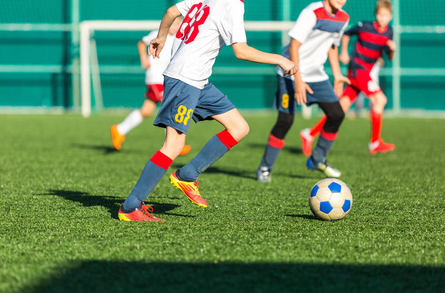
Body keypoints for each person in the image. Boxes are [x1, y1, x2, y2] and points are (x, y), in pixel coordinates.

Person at [118, 0, 298, 221]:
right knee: (173, 146)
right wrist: (280, 59)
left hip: (198, 81)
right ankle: (130, 206)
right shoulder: (233, 5)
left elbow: (170, 12)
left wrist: (161, 36)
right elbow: (241, 51)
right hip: (184, 80)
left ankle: (188, 174)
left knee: (239, 127)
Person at [256, 0, 350, 182]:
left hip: (316, 75)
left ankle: (317, 159)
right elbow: (293, 45)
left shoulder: (343, 18)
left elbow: (332, 45)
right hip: (289, 72)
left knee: (337, 114)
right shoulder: (312, 12)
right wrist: (297, 79)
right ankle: (265, 167)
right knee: (285, 120)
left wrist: (337, 74)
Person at [300, 0, 395, 156]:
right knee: (380, 100)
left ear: (390, 16)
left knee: (341, 108)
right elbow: (346, 34)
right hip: (358, 70)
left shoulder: (389, 33)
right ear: (376, 14)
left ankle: (309, 134)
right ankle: (375, 143)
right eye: (380, 14)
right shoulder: (365, 26)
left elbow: (389, 57)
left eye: (385, 15)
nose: (382, 18)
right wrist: (344, 52)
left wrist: (392, 50)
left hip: (366, 72)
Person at [110, 18, 191, 156]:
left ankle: (119, 129)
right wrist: (143, 58)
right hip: (155, 78)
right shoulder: (158, 34)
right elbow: (141, 43)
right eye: (172, 24)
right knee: (170, 108)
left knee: (147, 110)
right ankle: (174, 144)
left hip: (165, 79)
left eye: (177, 24)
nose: (174, 27)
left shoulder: (178, 39)